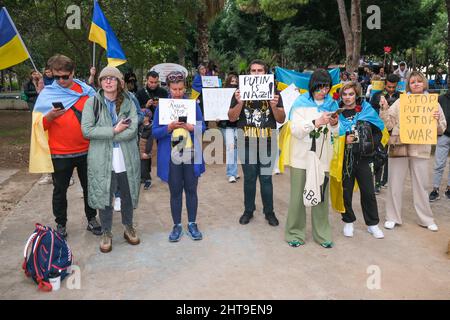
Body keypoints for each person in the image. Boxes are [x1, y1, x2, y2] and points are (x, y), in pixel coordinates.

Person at [30, 54, 101, 238]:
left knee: (89, 188)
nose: (60, 81)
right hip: (59, 153)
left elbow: (98, 117)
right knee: (60, 191)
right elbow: (38, 126)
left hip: (87, 150)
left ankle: (92, 219)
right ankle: (61, 224)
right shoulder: (47, 94)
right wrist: (50, 117)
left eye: (65, 76)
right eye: (56, 77)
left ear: (73, 72)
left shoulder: (87, 91)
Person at [81, 66, 141, 253]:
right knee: (105, 196)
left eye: (112, 78)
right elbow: (87, 130)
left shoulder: (129, 101)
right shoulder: (92, 103)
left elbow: (132, 129)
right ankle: (106, 232)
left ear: (119, 82)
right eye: (104, 78)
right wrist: (114, 131)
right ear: (99, 82)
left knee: (127, 193)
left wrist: (108, 135)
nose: (108, 81)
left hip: (126, 156)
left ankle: (128, 226)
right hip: (102, 157)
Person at [379, 71, 447, 231]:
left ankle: (426, 219)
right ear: (408, 85)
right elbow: (389, 124)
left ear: (424, 83)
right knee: (394, 182)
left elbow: (441, 129)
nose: (416, 84)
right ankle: (392, 217)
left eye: (419, 81)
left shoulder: (433, 103)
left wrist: (436, 120)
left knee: (421, 184)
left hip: (421, 146)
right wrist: (384, 109)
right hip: (399, 144)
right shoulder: (401, 102)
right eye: (412, 82)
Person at [282, 69, 339, 248]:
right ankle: (294, 234)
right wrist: (316, 122)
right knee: (298, 197)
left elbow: (337, 134)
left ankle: (322, 235)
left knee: (321, 198)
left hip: (324, 158)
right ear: (313, 86)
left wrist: (335, 123)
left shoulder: (332, 104)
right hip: (300, 158)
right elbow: (296, 131)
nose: (324, 91)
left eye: (327, 87)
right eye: (320, 87)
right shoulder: (299, 103)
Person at [228, 59, 286, 227]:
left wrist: (274, 106)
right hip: (246, 142)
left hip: (267, 142)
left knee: (266, 179)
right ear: (249, 73)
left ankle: (269, 212)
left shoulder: (274, 92)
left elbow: (281, 118)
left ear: (265, 73)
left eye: (260, 70)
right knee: (249, 179)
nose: (256, 73)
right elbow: (231, 117)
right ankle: (248, 210)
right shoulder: (240, 92)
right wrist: (239, 103)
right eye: (253, 70)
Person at [152, 71, 206, 242]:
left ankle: (192, 223)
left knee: (191, 190)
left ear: (185, 87)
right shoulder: (162, 107)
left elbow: (203, 128)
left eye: (181, 88)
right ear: (168, 88)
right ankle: (177, 225)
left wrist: (192, 128)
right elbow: (155, 132)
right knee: (175, 192)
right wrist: (168, 128)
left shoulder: (192, 105)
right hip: (172, 156)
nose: (177, 92)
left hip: (190, 154)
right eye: (174, 89)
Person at [337, 81, 386, 239]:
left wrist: (370, 146)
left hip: (364, 158)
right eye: (344, 94)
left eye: (351, 94)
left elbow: (378, 131)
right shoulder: (336, 112)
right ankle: (348, 221)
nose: (347, 97)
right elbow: (331, 135)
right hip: (344, 158)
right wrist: (344, 140)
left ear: (356, 95)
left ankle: (372, 224)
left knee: (368, 192)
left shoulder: (366, 109)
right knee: (346, 191)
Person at [370, 73, 401, 193]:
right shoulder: (377, 96)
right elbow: (371, 112)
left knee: (392, 157)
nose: (391, 89)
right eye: (389, 87)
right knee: (379, 156)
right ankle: (377, 183)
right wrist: (380, 108)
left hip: (396, 130)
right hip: (380, 130)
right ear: (385, 84)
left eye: (393, 87)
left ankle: (385, 180)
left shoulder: (401, 97)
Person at [217, 73, 240, 183]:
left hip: (238, 125)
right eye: (232, 82)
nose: (234, 84)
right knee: (231, 149)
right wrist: (215, 116)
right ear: (227, 83)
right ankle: (231, 173)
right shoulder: (221, 95)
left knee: (236, 149)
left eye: (236, 82)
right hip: (226, 126)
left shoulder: (240, 94)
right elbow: (215, 108)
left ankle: (233, 171)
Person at [429, 86, 450, 201]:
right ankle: (435, 189)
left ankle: (449, 188)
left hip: (444, 136)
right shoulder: (440, 99)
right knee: (439, 164)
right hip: (443, 135)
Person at [140, 109, 153, 190]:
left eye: (143, 116)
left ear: (148, 117)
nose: (141, 117)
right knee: (140, 165)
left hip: (145, 150)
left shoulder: (151, 128)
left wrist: (147, 152)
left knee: (144, 166)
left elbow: (150, 141)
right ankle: (143, 178)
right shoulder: (140, 126)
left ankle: (148, 180)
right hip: (138, 149)